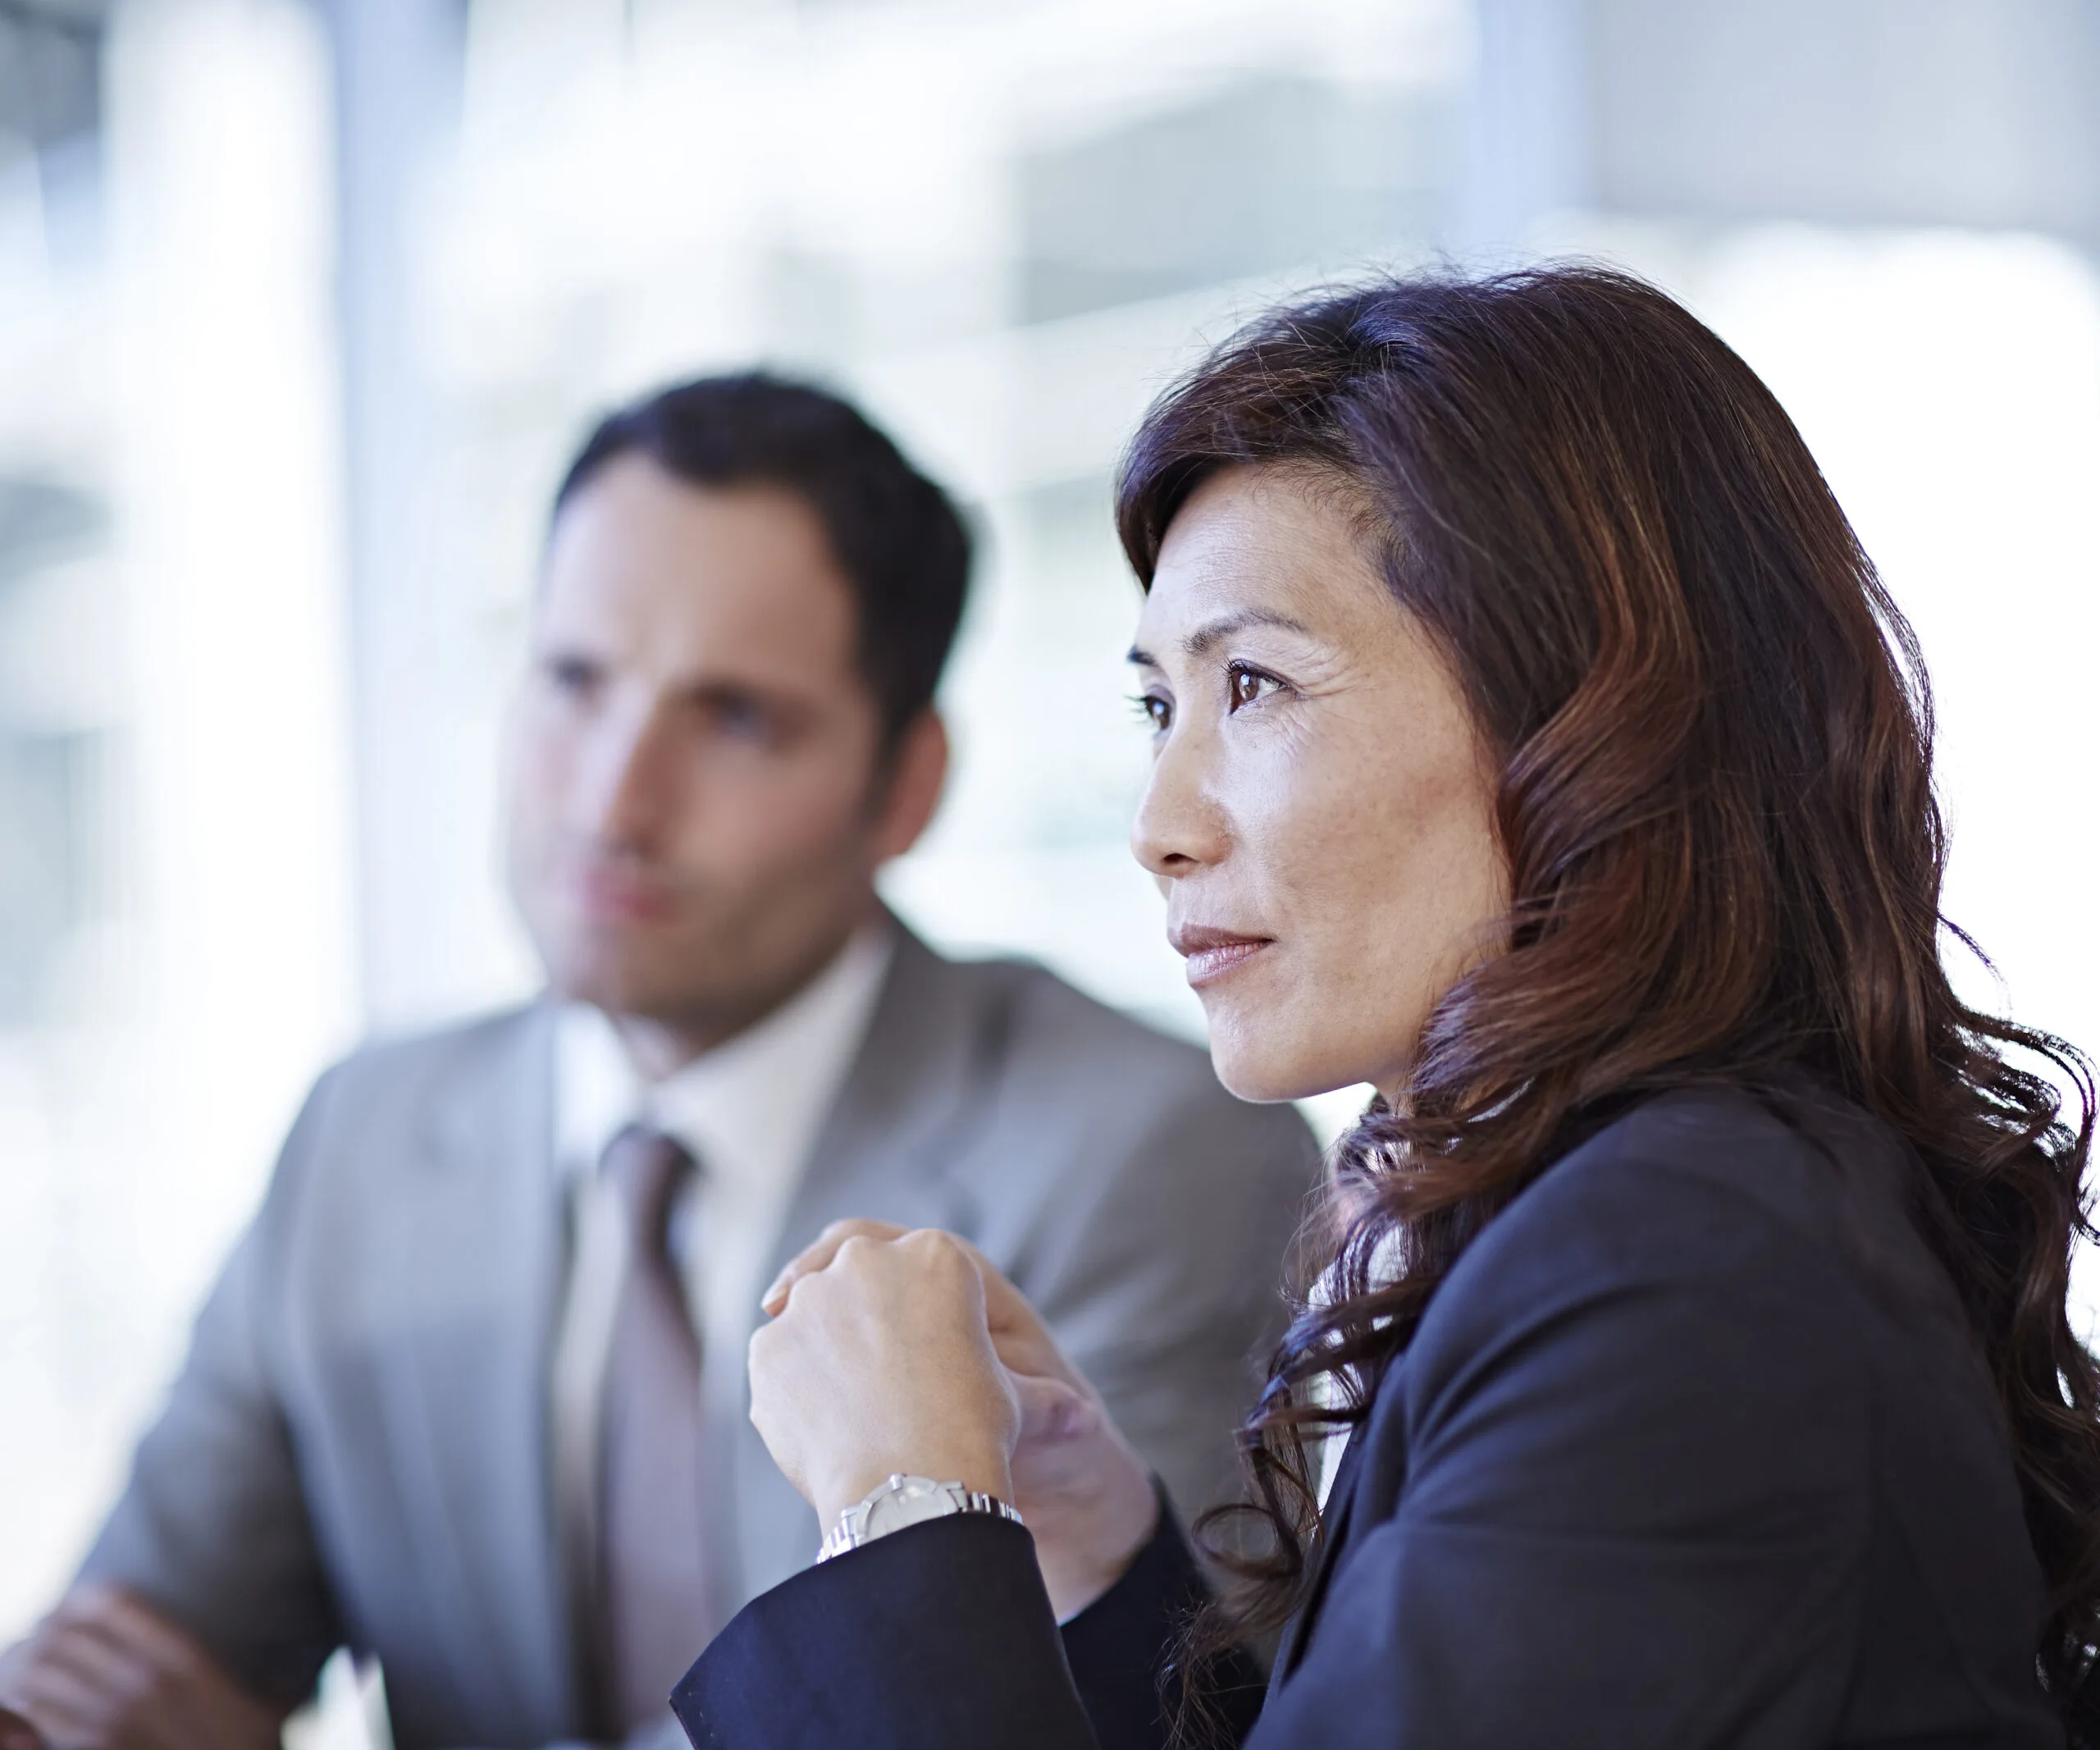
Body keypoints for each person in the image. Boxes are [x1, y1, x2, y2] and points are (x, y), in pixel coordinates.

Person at [670, 270, 2100, 1750]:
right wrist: (1085, 1544)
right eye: (1161, 705)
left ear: (1590, 720)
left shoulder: (1681, 1264)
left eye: (1258, 685)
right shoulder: (1635, 1207)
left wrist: (910, 1517)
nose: (1160, 822)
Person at [0, 375, 1320, 1750]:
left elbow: (1102, 1721)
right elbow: (135, 1652)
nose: (612, 802)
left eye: (736, 718)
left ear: (907, 787)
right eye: (574, 681)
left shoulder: (1157, 1147)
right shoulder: (364, 1140)